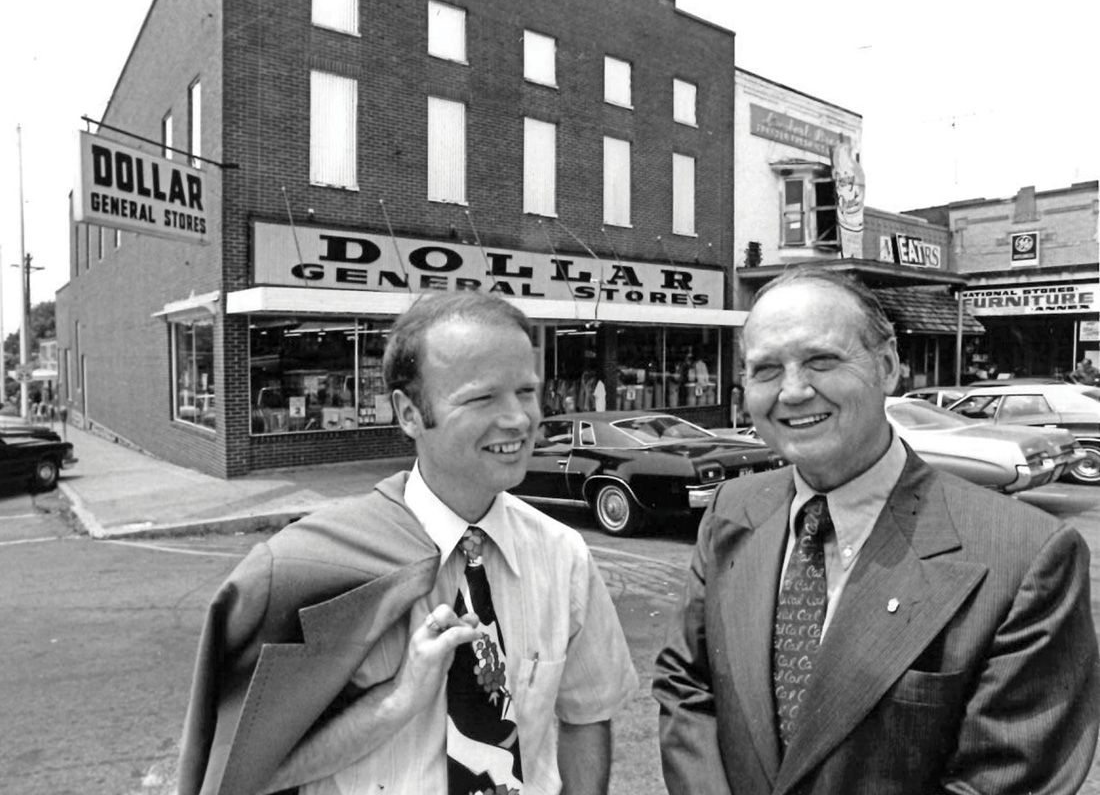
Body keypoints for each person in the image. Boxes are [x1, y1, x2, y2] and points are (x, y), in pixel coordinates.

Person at [653, 267, 1099, 795]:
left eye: (822, 360)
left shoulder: (1025, 557)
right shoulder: (732, 509)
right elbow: (687, 686)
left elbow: (1006, 780)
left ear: (887, 367)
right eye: (766, 369)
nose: (793, 391)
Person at [178, 292, 638, 795]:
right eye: (482, 398)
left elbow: (586, 715)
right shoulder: (310, 569)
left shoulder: (562, 555)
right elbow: (242, 776)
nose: (519, 419)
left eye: (526, 391)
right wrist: (396, 700)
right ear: (410, 413)